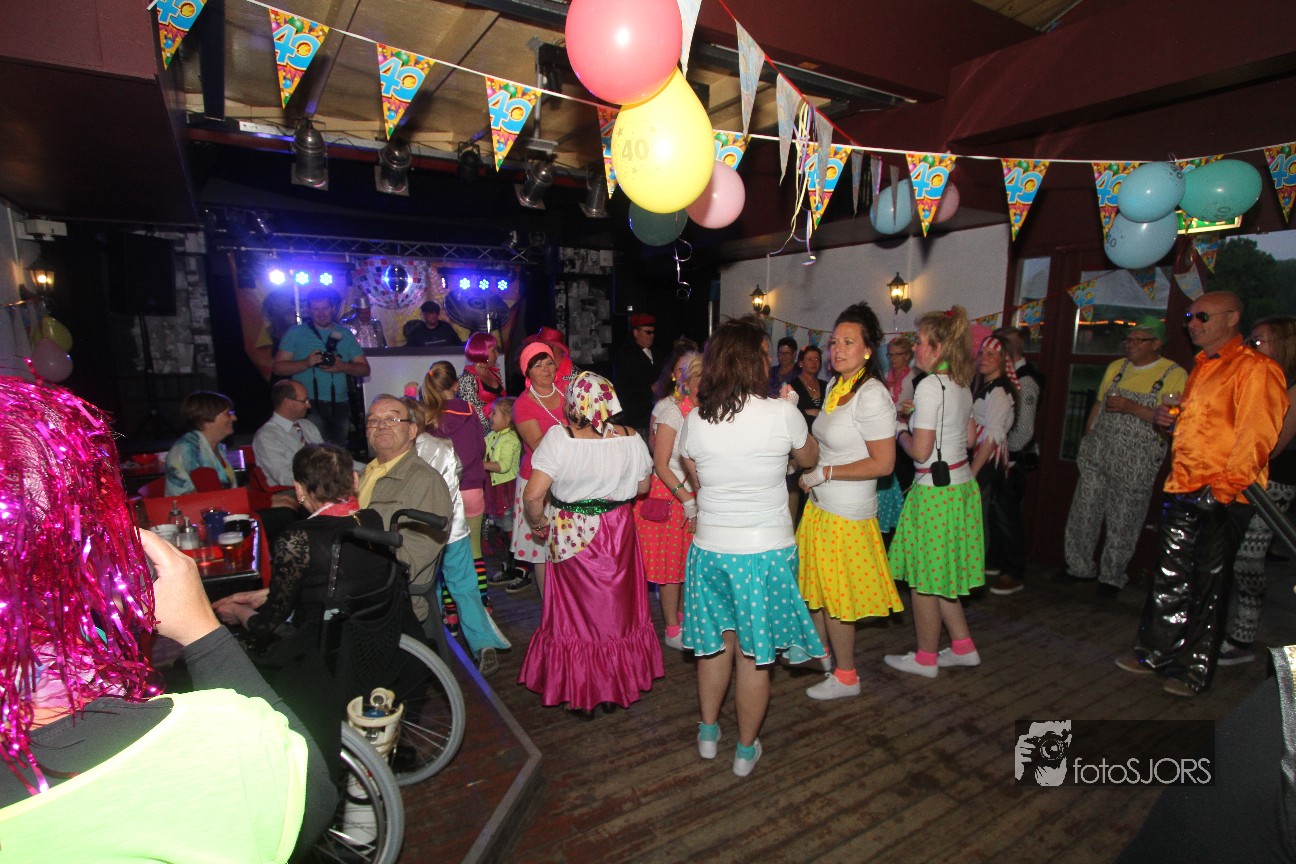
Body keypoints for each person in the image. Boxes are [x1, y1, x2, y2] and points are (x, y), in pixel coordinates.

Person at [0, 379, 333, 861]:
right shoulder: (209, 737)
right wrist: (204, 634)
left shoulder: (215, 450)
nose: (233, 418)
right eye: (225, 413)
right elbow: (309, 797)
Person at [1115, 291, 1288, 697]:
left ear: (1232, 318)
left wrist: (1222, 492)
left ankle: (1192, 671)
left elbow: (1256, 439)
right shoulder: (1203, 366)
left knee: (1208, 586)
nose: (1192, 323)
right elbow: (1202, 429)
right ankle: (1155, 653)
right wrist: (1169, 422)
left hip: (1222, 493)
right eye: (1190, 317)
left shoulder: (1256, 369)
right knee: (1170, 576)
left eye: (1202, 316)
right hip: (1184, 484)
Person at [679, 316, 824, 778]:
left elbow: (695, 475)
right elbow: (810, 459)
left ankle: (707, 735)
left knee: (714, 646)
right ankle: (744, 750)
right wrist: (791, 414)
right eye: (764, 354)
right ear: (751, 361)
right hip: (765, 553)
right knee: (754, 653)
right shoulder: (781, 413)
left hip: (711, 549)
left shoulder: (695, 419)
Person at [518, 372, 662, 714]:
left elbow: (533, 495)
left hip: (571, 531)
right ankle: (614, 686)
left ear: (572, 403)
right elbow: (643, 488)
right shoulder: (631, 438)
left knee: (576, 614)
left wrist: (538, 523)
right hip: (618, 530)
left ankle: (582, 690)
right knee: (617, 611)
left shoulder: (559, 438)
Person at [796, 302, 904, 700]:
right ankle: (823, 656)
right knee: (817, 591)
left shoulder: (872, 395)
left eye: (848, 342)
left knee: (838, 600)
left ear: (868, 350)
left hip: (847, 514)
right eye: (834, 342)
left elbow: (884, 463)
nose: (837, 349)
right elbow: (826, 444)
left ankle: (846, 676)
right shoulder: (837, 386)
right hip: (821, 507)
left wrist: (825, 472)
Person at [884, 306, 985, 679]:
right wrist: (919, 416)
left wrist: (900, 430)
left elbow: (921, 452)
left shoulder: (929, 386)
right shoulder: (960, 383)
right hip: (960, 489)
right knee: (942, 578)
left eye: (922, 342)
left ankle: (925, 658)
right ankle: (963, 647)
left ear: (939, 348)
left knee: (924, 582)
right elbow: (970, 438)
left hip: (935, 494)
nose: (916, 349)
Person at [212, 443, 391, 643]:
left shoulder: (298, 537)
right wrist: (265, 595)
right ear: (355, 481)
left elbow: (265, 626)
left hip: (321, 648)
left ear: (298, 489)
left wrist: (237, 612)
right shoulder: (371, 519)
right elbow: (341, 581)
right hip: (374, 639)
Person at [1060, 317, 1186, 597]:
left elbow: (1171, 420)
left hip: (1138, 457)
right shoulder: (1117, 367)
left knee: (1124, 517)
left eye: (1138, 340)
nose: (1130, 345)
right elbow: (1099, 404)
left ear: (1156, 343)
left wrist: (1131, 407)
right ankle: (1078, 567)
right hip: (1099, 450)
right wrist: (1087, 437)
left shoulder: (1173, 374)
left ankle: (1112, 576)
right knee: (1084, 510)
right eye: (1128, 339)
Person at [406, 398, 509, 676]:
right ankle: (483, 643)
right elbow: (461, 470)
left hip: (419, 533)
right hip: (453, 526)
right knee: (464, 584)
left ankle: (431, 641)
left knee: (427, 587)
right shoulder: (444, 446)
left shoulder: (400, 453)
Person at [1219, 316, 1296, 665]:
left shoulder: (1291, 386)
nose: (1250, 347)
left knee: (1248, 559)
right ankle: (1222, 630)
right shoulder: (1257, 378)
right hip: (1244, 478)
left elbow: (1272, 446)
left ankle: (1243, 637)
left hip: (1272, 483)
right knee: (1230, 554)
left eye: (1258, 340)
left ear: (1283, 344)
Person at [357, 394, 453, 624]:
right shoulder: (360, 476)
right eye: (374, 420)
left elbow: (415, 555)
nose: (381, 425)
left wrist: (353, 568)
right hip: (356, 591)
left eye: (391, 419)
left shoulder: (424, 480)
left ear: (412, 431)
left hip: (391, 602)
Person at [633, 350, 702, 651]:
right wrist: (687, 500)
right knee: (670, 569)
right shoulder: (671, 411)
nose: (706, 383)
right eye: (699, 377)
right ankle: (672, 628)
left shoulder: (705, 411)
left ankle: (685, 619)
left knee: (689, 566)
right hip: (670, 495)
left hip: (694, 495)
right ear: (686, 381)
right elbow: (661, 464)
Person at [423, 361, 491, 618]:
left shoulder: (427, 416)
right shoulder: (469, 410)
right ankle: (482, 605)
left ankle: (450, 612)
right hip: (472, 487)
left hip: (444, 492)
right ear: (455, 385)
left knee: (448, 554)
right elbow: (480, 448)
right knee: (474, 550)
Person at [983, 326, 1042, 595]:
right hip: (998, 456)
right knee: (996, 513)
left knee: (1009, 516)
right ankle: (996, 561)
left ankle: (1015, 571)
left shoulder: (1025, 379)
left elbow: (1024, 428)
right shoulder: (1000, 378)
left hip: (1009, 459)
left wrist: (1010, 456)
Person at [507, 342, 569, 595]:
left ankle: (568, 603)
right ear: (527, 371)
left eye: (549, 363)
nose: (546, 369)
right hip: (538, 483)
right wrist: (571, 431)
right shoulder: (523, 404)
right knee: (541, 552)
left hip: (569, 478)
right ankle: (549, 606)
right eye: (538, 365)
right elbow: (539, 446)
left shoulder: (567, 390)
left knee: (567, 546)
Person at [273, 287, 371, 445]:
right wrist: (306, 363)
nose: (321, 313)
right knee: (314, 450)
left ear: (333, 308)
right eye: (316, 309)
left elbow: (364, 369)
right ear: (309, 310)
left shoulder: (345, 334)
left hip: (339, 403)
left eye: (325, 308)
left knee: (337, 451)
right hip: (307, 403)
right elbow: (278, 368)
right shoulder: (295, 333)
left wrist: (342, 366)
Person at [971, 335, 1021, 595]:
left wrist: (974, 471)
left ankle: (977, 572)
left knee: (980, 516)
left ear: (1003, 360)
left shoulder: (999, 391)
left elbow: (992, 435)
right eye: (982, 353)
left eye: (991, 354)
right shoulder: (989, 386)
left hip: (989, 461)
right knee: (987, 516)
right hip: (985, 458)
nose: (984, 358)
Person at [165, 390, 238, 496]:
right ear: (207, 416)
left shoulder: (215, 446)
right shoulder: (191, 449)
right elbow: (211, 494)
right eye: (228, 414)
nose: (234, 418)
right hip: (192, 506)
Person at [253, 379, 323, 487]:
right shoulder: (267, 436)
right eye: (304, 401)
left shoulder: (307, 425)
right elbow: (284, 477)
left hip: (316, 485)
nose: (308, 405)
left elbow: (325, 458)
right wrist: (322, 481)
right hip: (289, 490)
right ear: (287, 403)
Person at [483, 397, 522, 571]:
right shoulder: (492, 435)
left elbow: (503, 466)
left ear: (507, 418)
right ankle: (508, 563)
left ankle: (515, 565)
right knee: (502, 528)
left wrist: (480, 464)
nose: (490, 416)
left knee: (509, 529)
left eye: (494, 413)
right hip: (496, 488)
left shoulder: (511, 439)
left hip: (506, 489)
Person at [613, 313, 662, 437]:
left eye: (653, 332)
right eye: (648, 332)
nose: (652, 336)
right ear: (636, 333)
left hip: (656, 415)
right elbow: (623, 387)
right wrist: (649, 389)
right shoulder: (624, 355)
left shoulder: (657, 353)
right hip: (637, 417)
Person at [458, 331, 504, 433]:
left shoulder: (495, 373)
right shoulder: (467, 379)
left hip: (500, 431)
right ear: (483, 353)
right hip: (480, 434)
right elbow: (471, 415)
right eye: (494, 350)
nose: (497, 354)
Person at [788, 344, 826, 426]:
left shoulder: (826, 386)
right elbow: (788, 413)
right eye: (810, 359)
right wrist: (808, 412)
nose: (814, 362)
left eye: (816, 359)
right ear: (801, 363)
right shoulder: (792, 386)